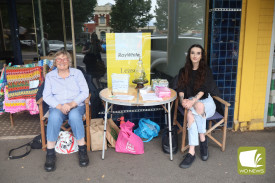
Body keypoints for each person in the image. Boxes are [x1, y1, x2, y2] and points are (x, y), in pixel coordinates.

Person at [43, 50, 89, 172]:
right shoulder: (50, 76)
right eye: (59, 59)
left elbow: (85, 92)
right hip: (57, 106)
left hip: (76, 106)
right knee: (53, 117)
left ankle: (82, 150)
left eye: (65, 59)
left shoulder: (77, 73)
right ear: (55, 62)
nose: (62, 62)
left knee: (74, 116)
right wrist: (60, 106)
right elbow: (46, 96)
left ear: (69, 61)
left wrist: (71, 104)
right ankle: (50, 154)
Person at [177, 44, 216, 169]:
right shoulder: (183, 71)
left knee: (198, 106)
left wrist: (192, 101)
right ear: (189, 55)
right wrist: (183, 101)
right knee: (190, 113)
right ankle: (195, 148)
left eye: (198, 53)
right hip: (192, 104)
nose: (195, 55)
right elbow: (181, 88)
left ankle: (200, 140)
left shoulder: (206, 70)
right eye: (192, 53)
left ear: (201, 56)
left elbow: (204, 90)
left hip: (206, 103)